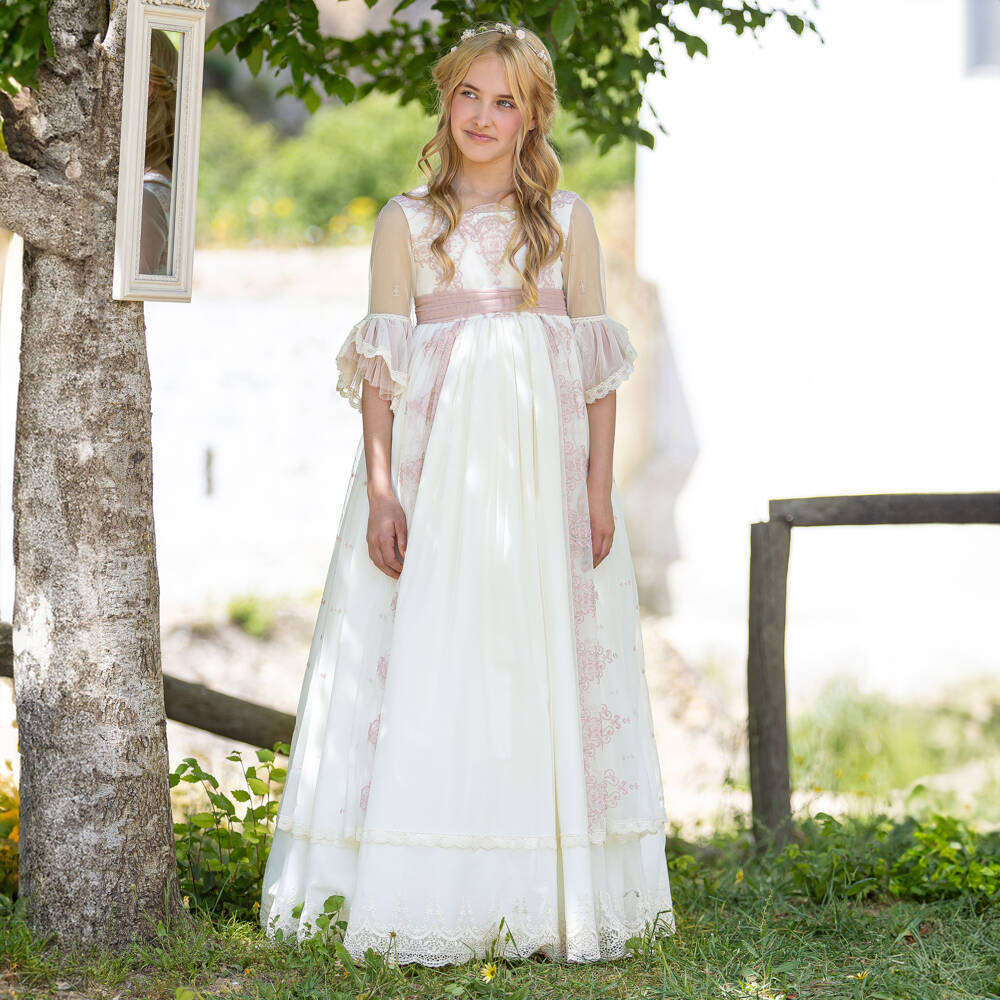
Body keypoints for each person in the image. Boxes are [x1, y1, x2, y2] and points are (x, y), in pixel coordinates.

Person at [259, 21, 675, 966]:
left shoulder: (565, 222)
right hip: (436, 476)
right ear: (447, 101)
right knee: (436, 652)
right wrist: (381, 490)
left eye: (506, 101)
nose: (483, 116)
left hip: (541, 481)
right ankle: (422, 878)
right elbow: (382, 365)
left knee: (532, 657)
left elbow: (597, 369)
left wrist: (597, 490)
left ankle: (542, 885)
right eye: (469, 95)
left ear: (532, 118)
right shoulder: (407, 221)